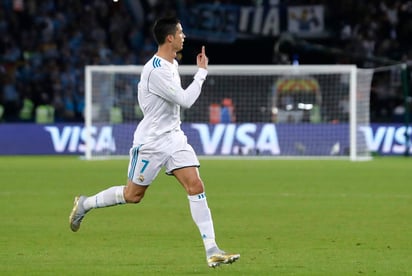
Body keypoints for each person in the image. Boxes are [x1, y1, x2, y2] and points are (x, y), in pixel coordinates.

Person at [69, 17, 240, 268]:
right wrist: (201, 74)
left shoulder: (172, 64)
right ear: (169, 38)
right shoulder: (156, 69)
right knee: (133, 195)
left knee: (196, 185)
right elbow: (185, 100)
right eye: (180, 32)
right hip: (151, 142)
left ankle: (212, 250)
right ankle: (85, 203)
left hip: (174, 137)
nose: (184, 36)